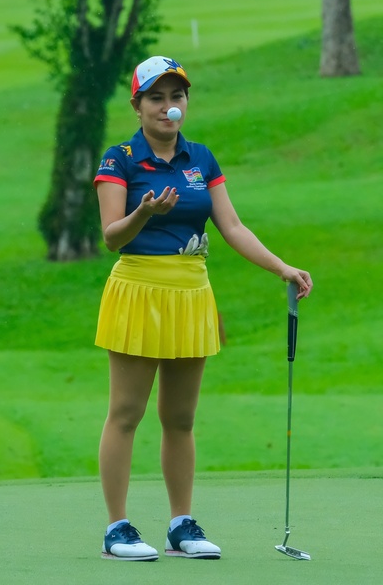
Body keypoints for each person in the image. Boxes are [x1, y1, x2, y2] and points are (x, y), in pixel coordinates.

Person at [93, 55, 313, 562]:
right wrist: (143, 212)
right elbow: (111, 237)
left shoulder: (201, 159)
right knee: (126, 413)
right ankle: (117, 528)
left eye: (177, 96)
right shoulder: (120, 159)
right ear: (137, 105)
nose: (168, 107)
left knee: (180, 417)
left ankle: (180, 525)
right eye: (156, 97)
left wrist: (281, 267)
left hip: (192, 293)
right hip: (139, 289)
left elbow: (231, 226)